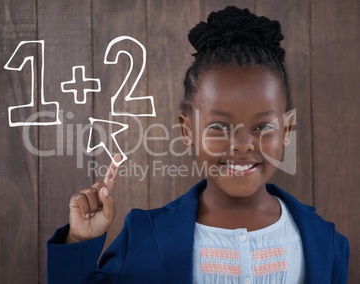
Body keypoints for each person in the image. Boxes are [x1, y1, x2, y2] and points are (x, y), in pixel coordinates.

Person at [47, 6, 349, 284]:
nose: (242, 145)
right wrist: (79, 240)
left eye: (262, 127)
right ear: (187, 130)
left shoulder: (326, 243)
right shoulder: (146, 238)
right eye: (219, 127)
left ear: (287, 130)